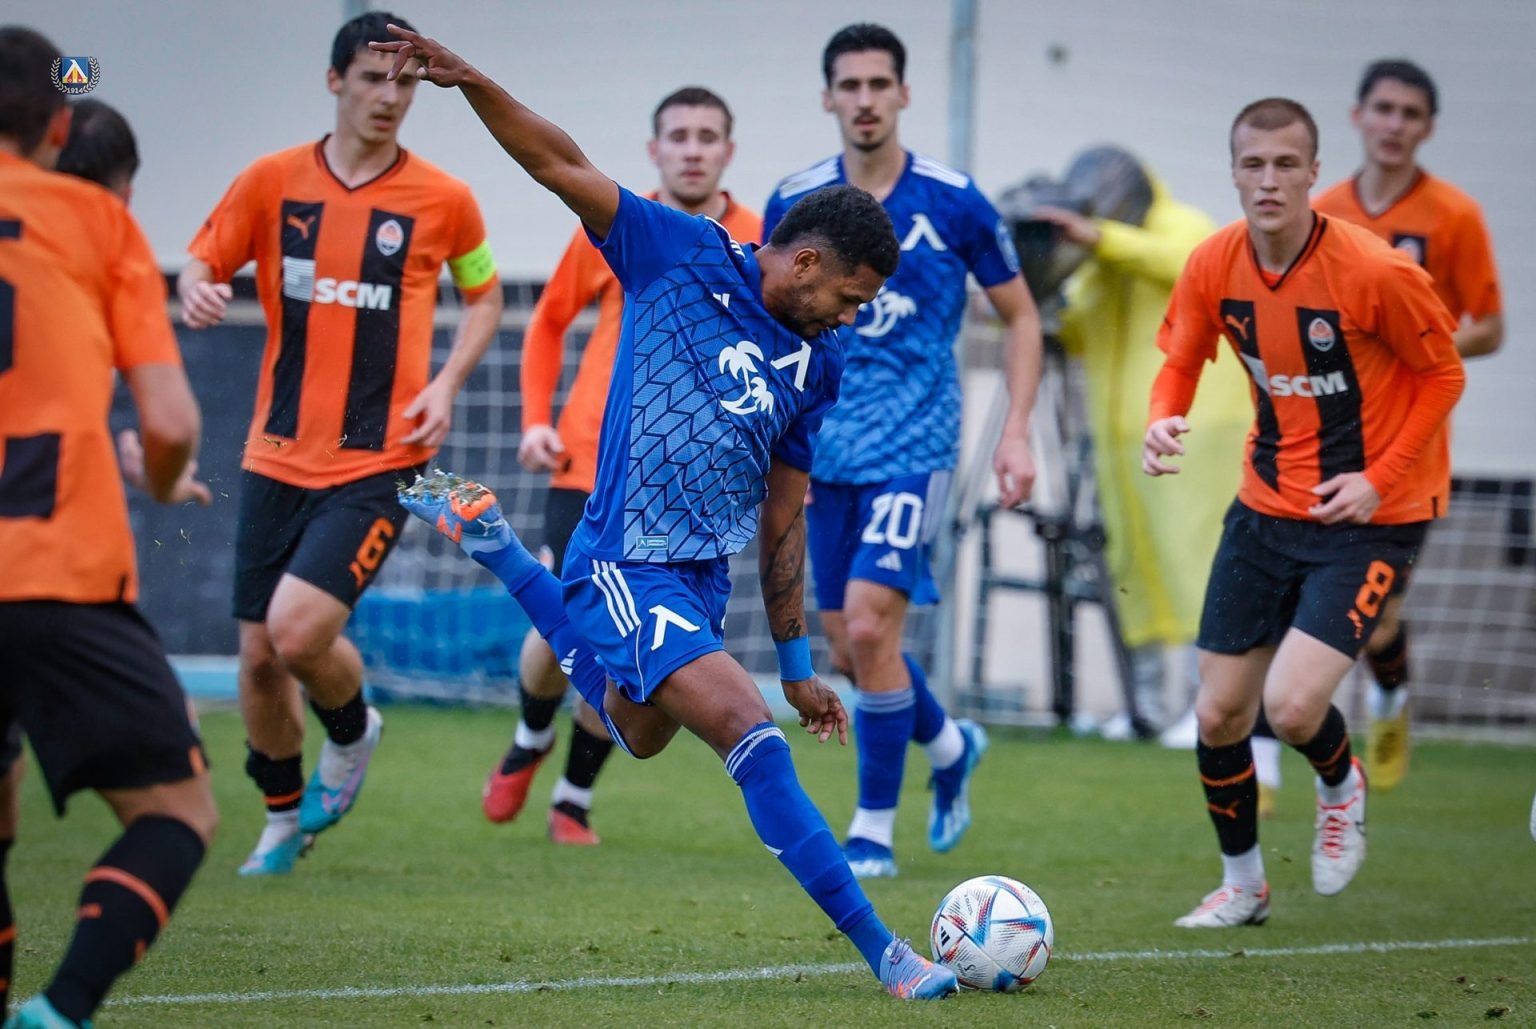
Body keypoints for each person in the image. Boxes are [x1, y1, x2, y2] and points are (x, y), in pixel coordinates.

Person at [376, 22, 958, 999]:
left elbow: (783, 518)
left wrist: (799, 665)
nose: (854, 317)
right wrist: (472, 79)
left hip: (697, 577)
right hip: (620, 559)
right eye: (851, 297)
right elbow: (559, 164)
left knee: (636, 732)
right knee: (746, 729)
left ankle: (503, 551)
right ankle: (888, 955)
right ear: (806, 262)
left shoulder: (819, 364)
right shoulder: (678, 253)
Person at [178, 10, 503, 876]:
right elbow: (203, 261)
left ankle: (353, 732)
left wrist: (445, 384)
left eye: (405, 81)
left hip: (380, 460)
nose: (389, 96)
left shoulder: (445, 199)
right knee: (257, 657)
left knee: (294, 633)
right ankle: (282, 819)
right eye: (371, 78)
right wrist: (199, 287)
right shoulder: (270, 181)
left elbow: (484, 296)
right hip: (275, 453)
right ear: (334, 82)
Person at [1145, 97, 1464, 928]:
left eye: (1287, 164)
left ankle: (1340, 780)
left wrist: (1378, 479)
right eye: (1254, 164)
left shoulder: (1375, 270)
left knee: (1290, 708)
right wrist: (1162, 417)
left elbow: (1444, 375)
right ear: (1233, 171)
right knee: (1220, 711)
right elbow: (1181, 357)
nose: (1269, 180)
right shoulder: (1213, 261)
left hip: (1371, 519)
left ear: (1315, 172)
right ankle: (1244, 885)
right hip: (1265, 507)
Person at [760, 24, 1043, 880]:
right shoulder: (796, 199)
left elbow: (1021, 316)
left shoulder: (955, 200)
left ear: (904, 94)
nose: (865, 99)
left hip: (916, 444)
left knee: (872, 625)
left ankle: (872, 831)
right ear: (828, 97)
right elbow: (774, 316)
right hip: (823, 448)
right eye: (850, 85)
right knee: (851, 649)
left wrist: (1017, 430)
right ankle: (950, 745)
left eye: (879, 83)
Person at [0, 26, 218, 1028]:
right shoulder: (97, 222)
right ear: (58, 126)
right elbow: (170, 423)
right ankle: (62, 1008)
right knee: (178, 813)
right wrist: (164, 483)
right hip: (56, 571)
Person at [491, 86, 762, 845]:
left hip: (682, 487)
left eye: (707, 136)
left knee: (631, 652)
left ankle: (572, 796)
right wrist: (536, 420)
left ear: (728, 151)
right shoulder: (617, 218)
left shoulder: (757, 241)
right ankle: (531, 731)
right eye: (679, 135)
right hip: (589, 461)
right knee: (562, 626)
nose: (692, 149)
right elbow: (548, 322)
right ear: (655, 149)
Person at [1241, 59, 1502, 797]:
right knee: (1288, 588)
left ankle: (1389, 697)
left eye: (1410, 114)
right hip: (1322, 439)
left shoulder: (1453, 216)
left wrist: (1409, 342)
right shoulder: (1319, 209)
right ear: (1358, 117)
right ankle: (1263, 758)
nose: (1394, 125)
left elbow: (1490, 327)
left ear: (1428, 128)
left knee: (1379, 619)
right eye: (1383, 109)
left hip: (1407, 448)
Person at [1025, 147, 1249, 742]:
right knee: (1135, 571)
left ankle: (1213, 708)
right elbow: (1075, 329)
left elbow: (1183, 265)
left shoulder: (1186, 228)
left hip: (1198, 429)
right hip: (1122, 438)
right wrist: (1023, 288)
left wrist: (1099, 239)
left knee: (1197, 563)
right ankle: (1149, 708)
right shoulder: (1102, 264)